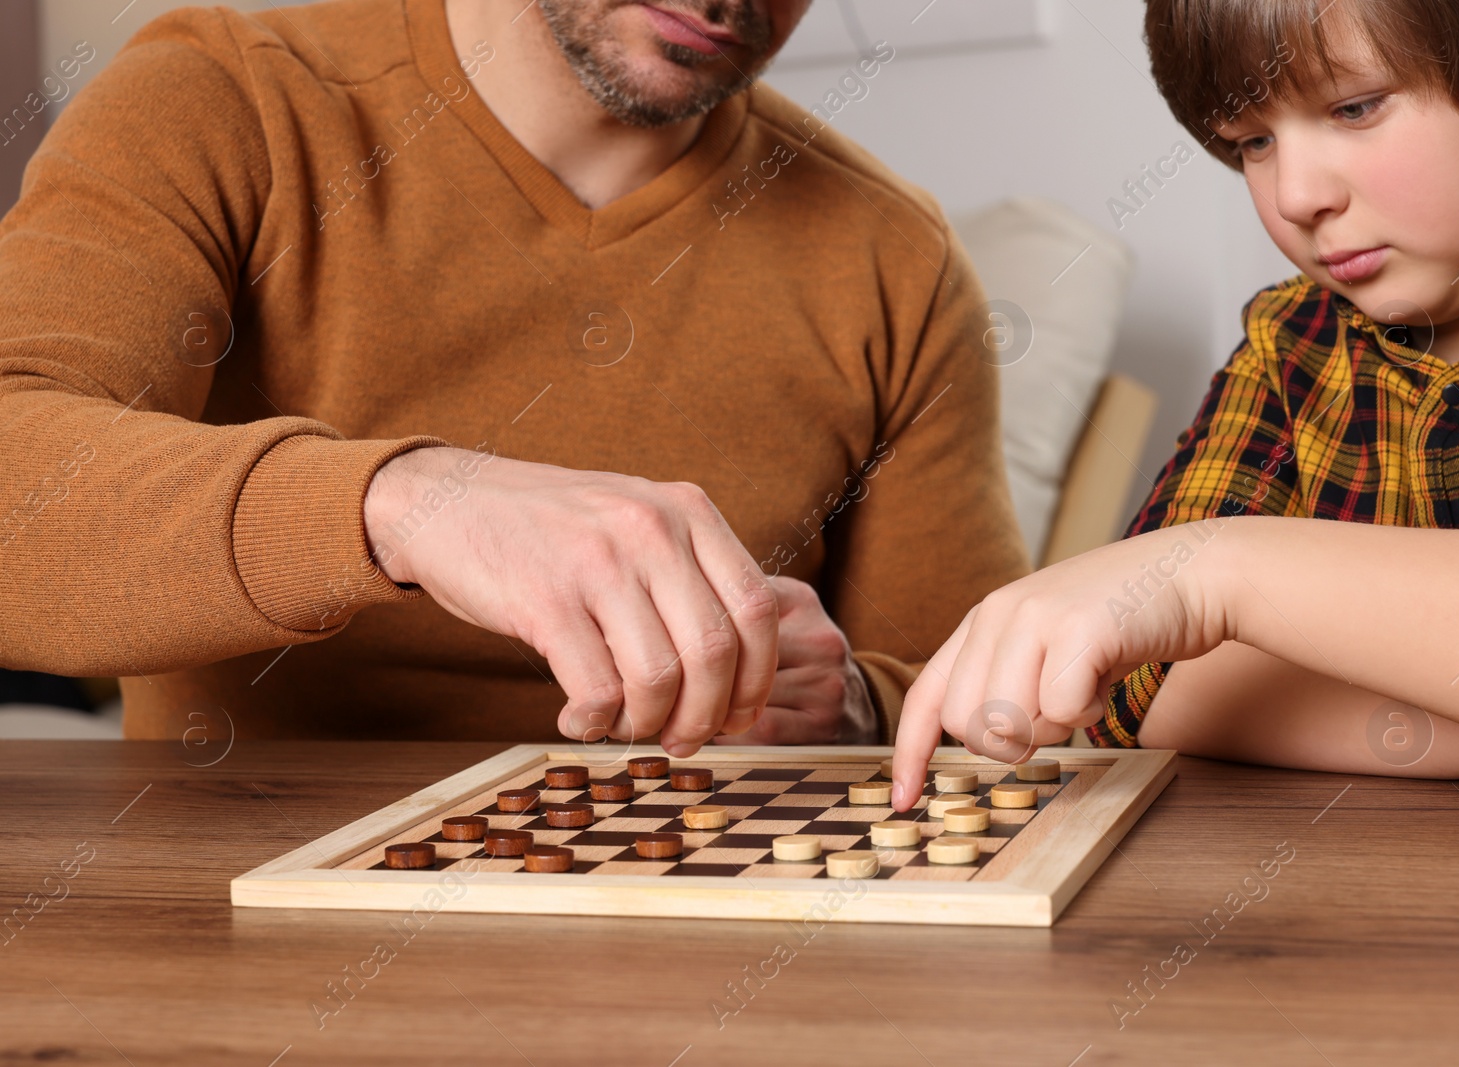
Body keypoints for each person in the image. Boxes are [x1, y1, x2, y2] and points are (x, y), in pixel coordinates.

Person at [0, 0, 1029, 755]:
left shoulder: (896, 257)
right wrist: (401, 504)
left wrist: (846, 704)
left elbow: (977, 702)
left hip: (696, 942)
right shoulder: (222, 96)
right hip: (241, 930)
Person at [893, 0, 1459, 807]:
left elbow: (1187, 603)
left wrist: (1224, 571)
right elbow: (1147, 688)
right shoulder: (1290, 341)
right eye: (1253, 142)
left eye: (1355, 107)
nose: (1295, 196)